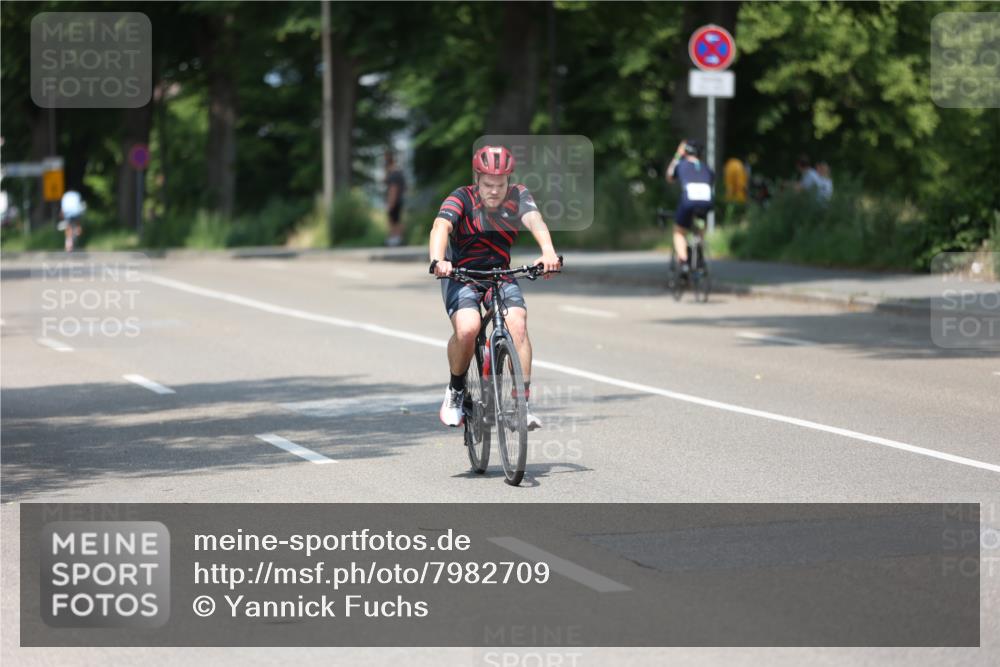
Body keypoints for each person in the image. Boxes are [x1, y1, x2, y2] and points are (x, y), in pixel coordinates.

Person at [429, 145, 561, 431]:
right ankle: (455, 391)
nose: (494, 191)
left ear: (508, 181)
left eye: (500, 184)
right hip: (462, 275)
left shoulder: (518, 197)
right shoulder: (460, 197)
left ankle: (521, 407)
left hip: (500, 274)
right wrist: (439, 260)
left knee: (518, 322)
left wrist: (548, 252)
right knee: (467, 328)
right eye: (488, 184)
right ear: (477, 178)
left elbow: (534, 220)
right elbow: (440, 227)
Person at [665, 139, 714, 272]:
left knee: (679, 232)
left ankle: (684, 262)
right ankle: (699, 250)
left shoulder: (681, 164)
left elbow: (669, 176)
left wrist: (677, 155)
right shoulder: (706, 168)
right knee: (700, 226)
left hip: (688, 201)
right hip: (706, 202)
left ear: (686, 152)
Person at [384, 152, 406, 247]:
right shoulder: (400, 173)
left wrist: (390, 203)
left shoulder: (393, 175)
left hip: (394, 201)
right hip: (400, 200)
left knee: (393, 220)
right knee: (398, 219)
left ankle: (394, 239)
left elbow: (393, 189)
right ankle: (398, 238)